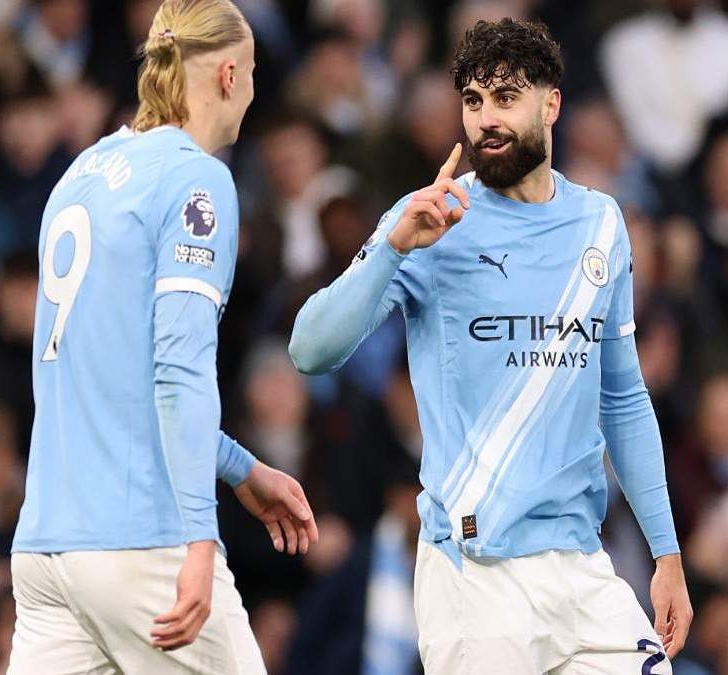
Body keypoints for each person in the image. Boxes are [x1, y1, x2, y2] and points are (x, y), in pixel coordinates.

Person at [289, 17, 693, 675]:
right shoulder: (432, 217)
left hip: (581, 565)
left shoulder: (601, 223)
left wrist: (666, 554)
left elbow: (622, 396)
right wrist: (393, 246)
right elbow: (309, 349)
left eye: (505, 97)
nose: (486, 120)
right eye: (473, 102)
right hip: (474, 574)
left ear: (551, 102)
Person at [7, 2, 318, 673]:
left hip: (45, 550)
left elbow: (117, 375)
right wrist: (199, 542)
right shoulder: (196, 179)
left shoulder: (79, 176)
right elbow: (177, 372)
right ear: (230, 74)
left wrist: (240, 466)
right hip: (139, 542)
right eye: (256, 72)